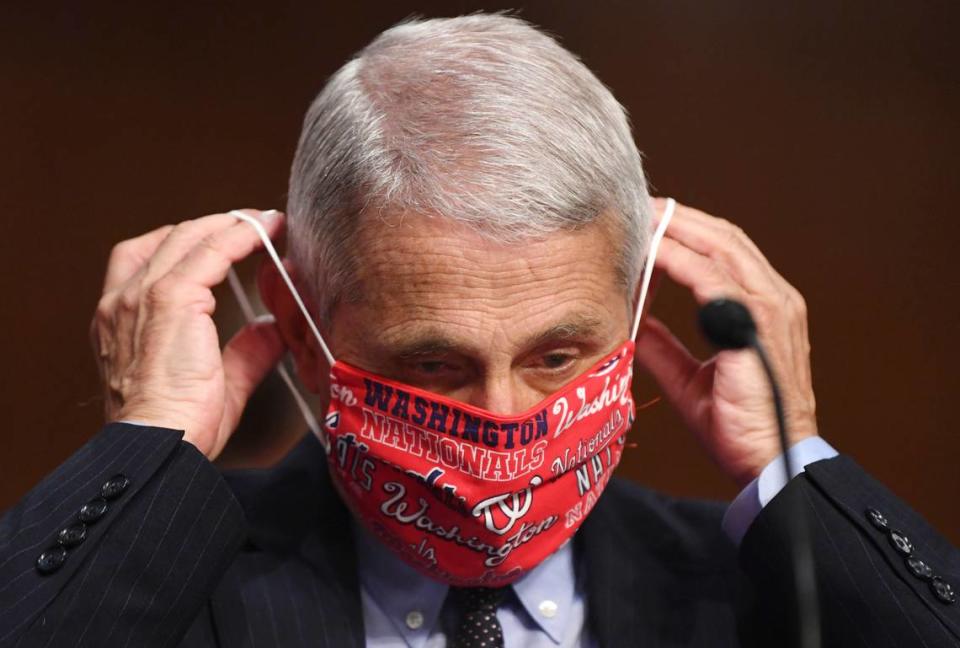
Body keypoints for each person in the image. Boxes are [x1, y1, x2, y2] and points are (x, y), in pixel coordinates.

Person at [1, 13, 957, 648]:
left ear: (631, 320)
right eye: (433, 361)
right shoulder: (157, 587)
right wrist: (148, 442)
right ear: (299, 327)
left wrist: (792, 465)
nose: (505, 423)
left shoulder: (771, 590)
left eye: (557, 355)